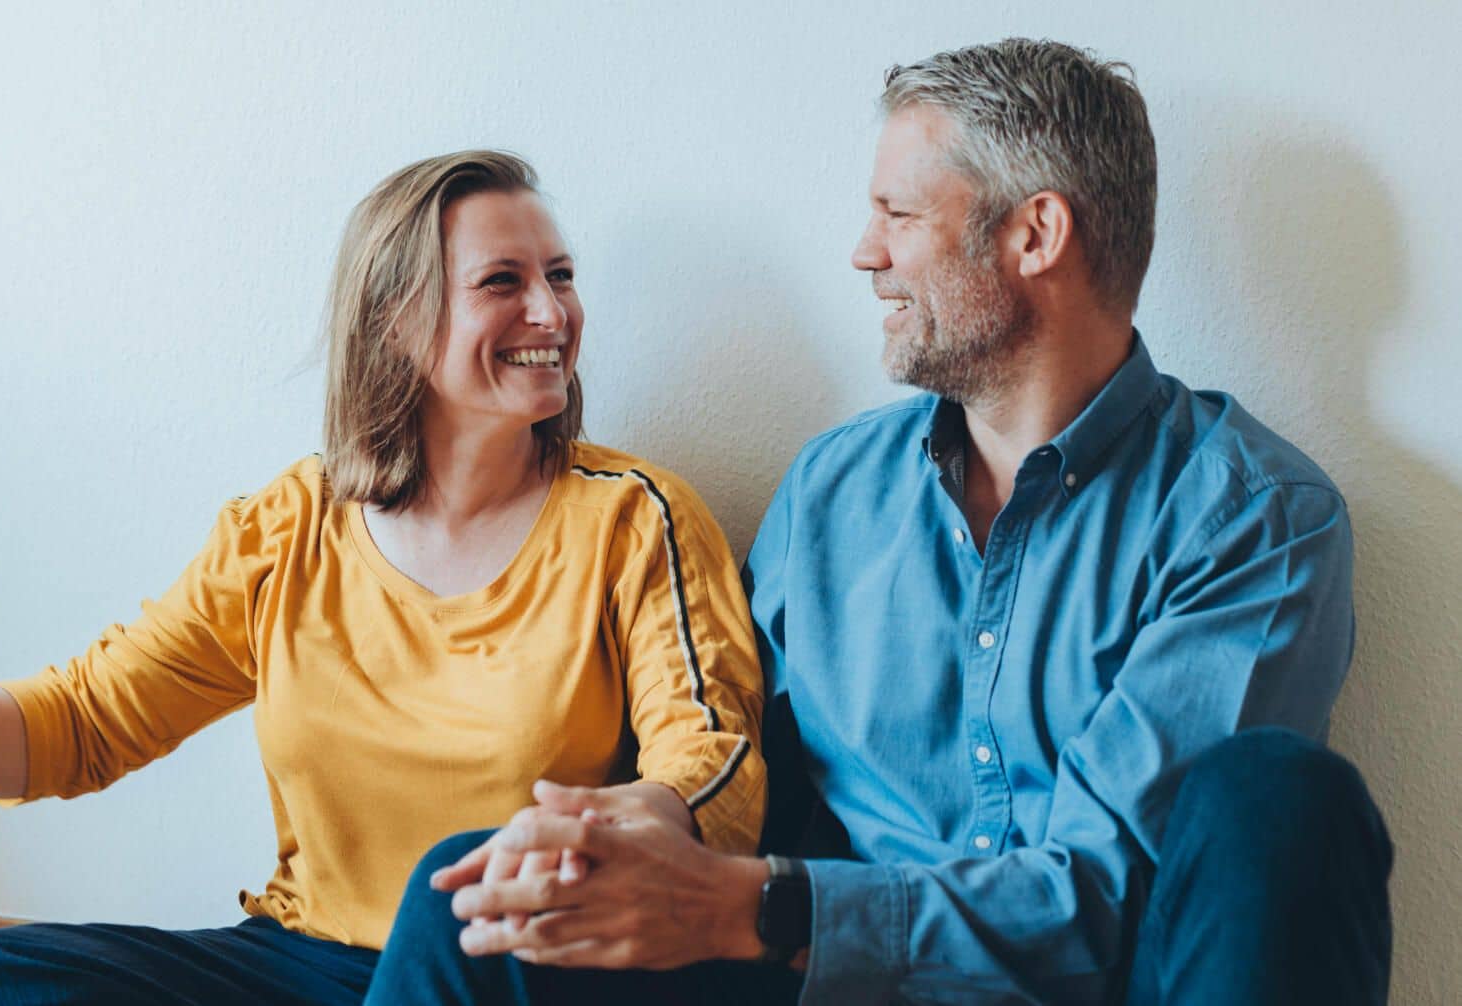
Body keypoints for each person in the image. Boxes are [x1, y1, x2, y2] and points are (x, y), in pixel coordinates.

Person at [423, 40, 1395, 1006]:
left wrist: (768, 910)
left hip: (1075, 984)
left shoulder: (1253, 518)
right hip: (825, 985)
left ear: (1035, 235)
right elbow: (740, 765)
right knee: (476, 890)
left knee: (1281, 796)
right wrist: (658, 813)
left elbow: (1106, 901)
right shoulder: (832, 490)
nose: (866, 251)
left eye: (898, 214)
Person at [0, 150, 766, 1004]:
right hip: (308, 959)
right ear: (396, 321)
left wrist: (652, 813)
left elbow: (712, 756)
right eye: (503, 281)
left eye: (561, 276)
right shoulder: (291, 528)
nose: (551, 311)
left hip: (506, 962)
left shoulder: (632, 519)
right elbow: (86, 720)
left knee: (460, 879)